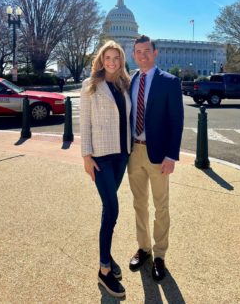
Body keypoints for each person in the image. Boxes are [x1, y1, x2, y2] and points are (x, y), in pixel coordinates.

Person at [128, 35, 184, 281]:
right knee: (139, 204)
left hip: (158, 154)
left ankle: (160, 254)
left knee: (161, 206)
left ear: (155, 52)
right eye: (138, 51)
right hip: (134, 152)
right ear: (134, 54)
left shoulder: (169, 82)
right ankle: (144, 248)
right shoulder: (131, 80)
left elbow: (176, 121)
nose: (143, 55)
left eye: (147, 51)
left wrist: (171, 155)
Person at [80, 40, 131, 298]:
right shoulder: (90, 86)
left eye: (116, 58)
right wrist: (86, 156)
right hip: (101, 157)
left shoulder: (125, 84)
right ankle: (103, 270)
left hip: (122, 155)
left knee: (107, 209)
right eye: (107, 58)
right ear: (101, 60)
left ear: (121, 61)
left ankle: (106, 254)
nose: (112, 62)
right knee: (112, 209)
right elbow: (84, 123)